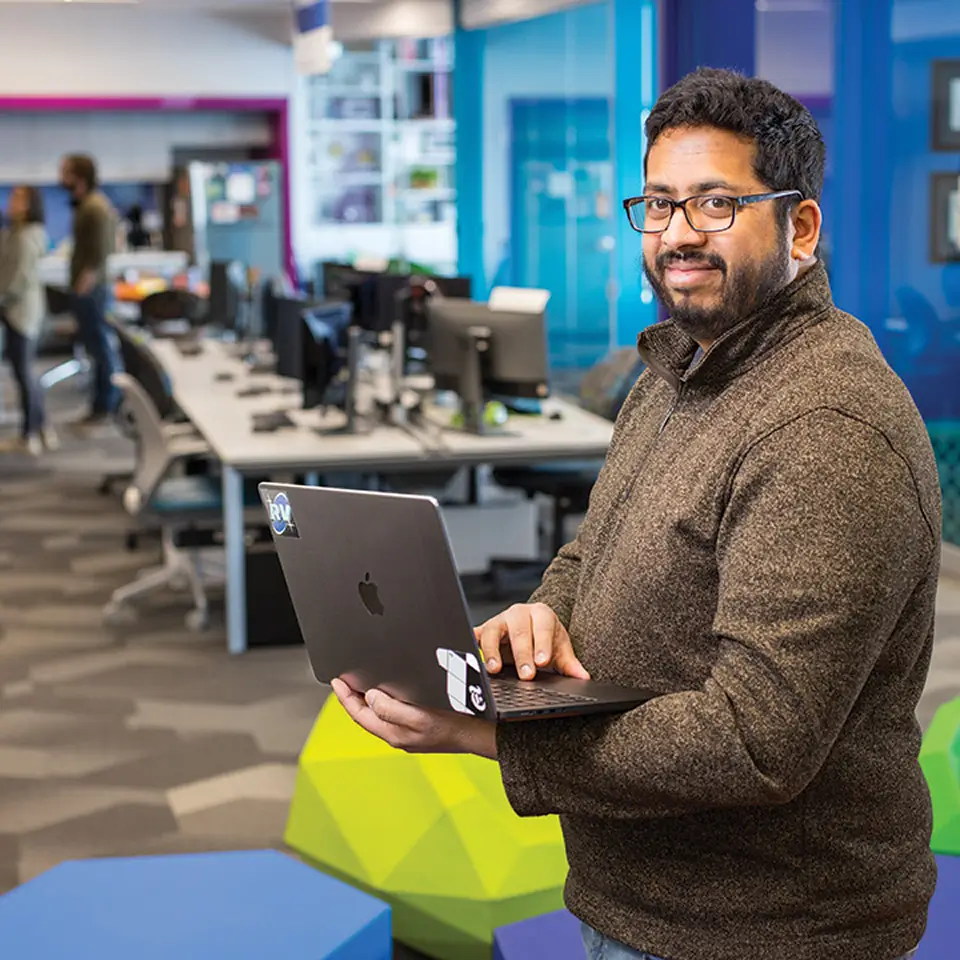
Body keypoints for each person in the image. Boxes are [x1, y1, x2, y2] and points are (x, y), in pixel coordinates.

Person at [331, 67, 938, 960]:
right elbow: (597, 549)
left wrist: (481, 733)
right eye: (657, 205)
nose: (678, 235)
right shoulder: (678, 375)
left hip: (768, 931)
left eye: (716, 204)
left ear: (799, 227)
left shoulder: (825, 429)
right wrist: (545, 611)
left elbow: (755, 739)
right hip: (646, 901)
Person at [59, 153, 121, 429]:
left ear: (79, 176)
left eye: (65, 171)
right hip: (87, 288)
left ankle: (107, 406)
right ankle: (101, 405)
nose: (61, 177)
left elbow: (102, 249)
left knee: (102, 349)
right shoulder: (86, 205)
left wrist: (85, 281)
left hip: (92, 289)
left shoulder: (95, 207)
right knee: (97, 349)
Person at [0, 186, 57, 455]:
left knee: (24, 372)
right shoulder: (18, 233)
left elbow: (15, 280)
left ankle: (29, 434)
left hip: (20, 312)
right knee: (26, 371)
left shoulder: (24, 237)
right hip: (22, 310)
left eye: (17, 198)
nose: (11, 202)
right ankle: (42, 426)